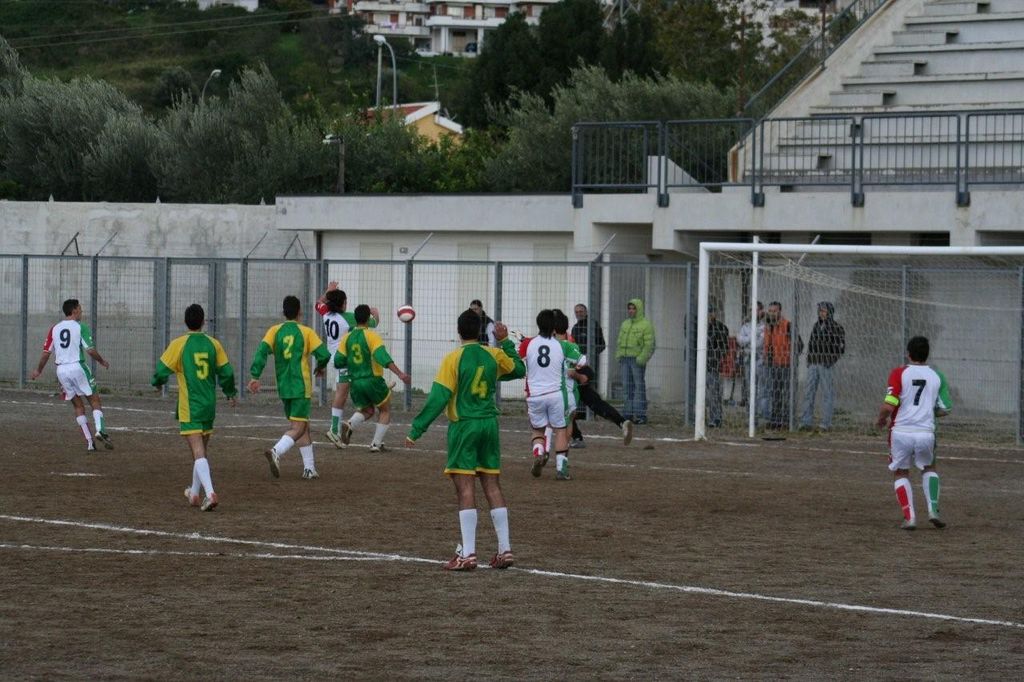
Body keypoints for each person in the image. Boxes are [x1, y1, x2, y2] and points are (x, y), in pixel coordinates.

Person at [406, 309, 525, 571]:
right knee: (492, 485)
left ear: (459, 332)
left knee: (465, 488)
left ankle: (468, 554)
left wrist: (417, 429)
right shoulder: (493, 355)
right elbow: (519, 369)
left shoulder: (453, 359)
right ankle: (504, 549)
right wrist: (505, 342)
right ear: (482, 331)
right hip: (489, 425)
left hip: (465, 426)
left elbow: (439, 397)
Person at [151, 304, 237, 512]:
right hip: (209, 405)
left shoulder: (179, 344)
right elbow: (226, 372)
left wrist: (157, 382)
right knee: (201, 452)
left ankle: (210, 493)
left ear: (185, 322)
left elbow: (161, 370)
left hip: (190, 406)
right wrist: (230, 392)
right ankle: (194, 494)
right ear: (203, 321)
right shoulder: (213, 344)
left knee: (198, 452)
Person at [249, 295, 331, 480]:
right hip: (300, 385)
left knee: (302, 424)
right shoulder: (306, 332)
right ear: (300, 312)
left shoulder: (274, 331)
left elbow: (262, 351)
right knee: (299, 427)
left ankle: (309, 468)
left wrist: (255, 375)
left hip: (284, 386)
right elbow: (324, 354)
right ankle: (276, 451)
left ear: (283, 312)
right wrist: (320, 367)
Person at [875, 336, 951, 530]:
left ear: (908, 354)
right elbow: (945, 408)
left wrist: (881, 419)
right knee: (929, 468)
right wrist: (927, 412)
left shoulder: (899, 373)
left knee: (901, 472)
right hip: (926, 432)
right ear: (927, 355)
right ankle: (933, 510)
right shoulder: (937, 376)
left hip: (901, 431)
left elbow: (889, 404)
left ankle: (910, 518)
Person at [30, 298, 112, 452]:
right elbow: (90, 350)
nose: (81, 311)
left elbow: (46, 353)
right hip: (77, 366)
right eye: (80, 308)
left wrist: (39, 370)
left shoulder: (54, 328)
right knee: (94, 400)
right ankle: (100, 430)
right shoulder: (80, 327)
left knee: (78, 405)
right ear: (74, 310)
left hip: (61, 371)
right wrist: (102, 361)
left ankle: (89, 442)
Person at [336, 304, 411, 452]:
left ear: (355, 319)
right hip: (372, 380)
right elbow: (383, 358)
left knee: (368, 410)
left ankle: (350, 424)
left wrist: (352, 363)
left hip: (355, 382)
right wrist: (400, 374)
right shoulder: (372, 336)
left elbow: (338, 361)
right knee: (385, 410)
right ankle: (376, 444)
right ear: (368, 319)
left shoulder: (347, 338)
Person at [315, 281, 379, 448]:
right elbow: (372, 323)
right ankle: (334, 429)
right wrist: (375, 314)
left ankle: (339, 428)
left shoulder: (326, 313)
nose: (346, 304)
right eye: (345, 301)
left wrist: (328, 291)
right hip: (343, 358)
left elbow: (318, 303)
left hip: (336, 357)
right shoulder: (348, 318)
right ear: (342, 304)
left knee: (343, 393)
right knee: (341, 394)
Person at [524, 309, 569, 478]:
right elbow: (581, 361)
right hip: (555, 394)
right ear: (554, 327)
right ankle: (561, 469)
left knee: (538, 430)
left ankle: (538, 452)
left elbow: (518, 361)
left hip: (535, 395)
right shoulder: (561, 345)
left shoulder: (528, 344)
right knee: (561, 430)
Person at [800, 301, 846, 432]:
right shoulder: (816, 326)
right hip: (814, 363)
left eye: (824, 311)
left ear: (830, 312)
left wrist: (830, 361)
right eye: (820, 311)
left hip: (826, 364)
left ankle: (826, 423)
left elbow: (841, 348)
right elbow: (811, 343)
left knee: (827, 393)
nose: (821, 313)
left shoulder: (837, 327)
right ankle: (806, 421)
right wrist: (809, 360)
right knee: (809, 392)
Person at [551, 309, 585, 478]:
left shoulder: (547, 346)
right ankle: (562, 465)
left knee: (545, 426)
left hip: (547, 392)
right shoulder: (570, 346)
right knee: (566, 427)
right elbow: (581, 363)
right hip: (567, 394)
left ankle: (541, 451)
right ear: (566, 328)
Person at [570, 365, 634, 447]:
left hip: (570, 382)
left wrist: (579, 375)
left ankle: (577, 438)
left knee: (565, 411)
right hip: (577, 379)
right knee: (596, 403)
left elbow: (576, 371)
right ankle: (622, 422)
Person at [615, 298, 655, 424]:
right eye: (629, 308)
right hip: (625, 358)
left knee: (638, 387)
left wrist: (641, 358)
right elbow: (620, 341)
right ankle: (628, 414)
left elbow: (649, 344)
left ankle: (640, 415)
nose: (631, 311)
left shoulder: (646, 325)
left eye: (633, 308)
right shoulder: (625, 324)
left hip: (636, 360)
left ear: (639, 309)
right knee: (627, 387)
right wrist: (619, 355)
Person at [763, 301, 801, 430]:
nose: (772, 313)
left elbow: (799, 344)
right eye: (770, 311)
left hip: (786, 365)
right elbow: (768, 345)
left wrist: (790, 358)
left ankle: (787, 421)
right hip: (774, 365)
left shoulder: (788, 325)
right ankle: (775, 420)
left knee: (787, 394)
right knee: (775, 394)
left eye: (774, 311)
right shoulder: (769, 326)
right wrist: (768, 358)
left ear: (780, 311)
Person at [736, 301, 765, 412]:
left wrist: (747, 339)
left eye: (756, 310)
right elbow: (740, 341)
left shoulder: (764, 326)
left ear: (761, 311)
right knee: (749, 385)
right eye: (751, 310)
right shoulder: (746, 326)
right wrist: (754, 335)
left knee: (760, 386)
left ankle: (759, 411)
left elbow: (759, 344)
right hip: (748, 359)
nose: (753, 312)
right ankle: (751, 410)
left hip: (760, 360)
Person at [706, 305, 730, 428]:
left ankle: (715, 418)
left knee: (714, 393)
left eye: (712, 312)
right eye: (708, 312)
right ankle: (697, 418)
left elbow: (724, 348)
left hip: (713, 365)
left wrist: (716, 359)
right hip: (699, 365)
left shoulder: (721, 328)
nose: (710, 315)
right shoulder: (698, 326)